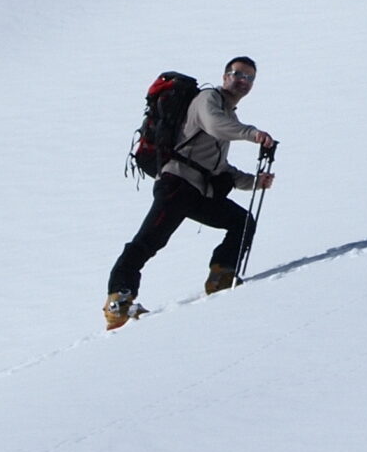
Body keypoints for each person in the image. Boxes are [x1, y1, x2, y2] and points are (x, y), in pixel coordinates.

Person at [105, 57, 277, 325]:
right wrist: (252, 134)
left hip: (196, 190)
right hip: (176, 183)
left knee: (241, 222)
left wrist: (255, 181)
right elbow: (213, 125)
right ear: (224, 76)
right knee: (149, 239)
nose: (243, 81)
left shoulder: (229, 115)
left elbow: (220, 167)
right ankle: (118, 299)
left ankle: (221, 276)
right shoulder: (208, 100)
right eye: (238, 74)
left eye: (250, 78)